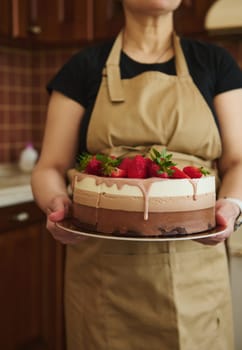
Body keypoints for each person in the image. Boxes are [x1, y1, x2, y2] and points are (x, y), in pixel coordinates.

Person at [31, 0, 242, 349]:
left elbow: (238, 161)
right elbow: (49, 168)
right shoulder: (83, 68)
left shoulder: (216, 64)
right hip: (102, 277)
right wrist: (55, 202)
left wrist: (232, 206)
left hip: (196, 271)